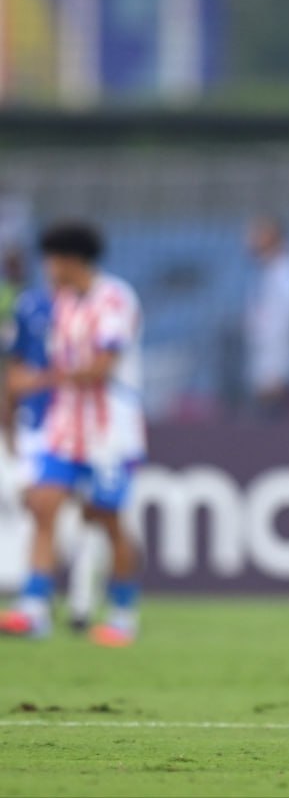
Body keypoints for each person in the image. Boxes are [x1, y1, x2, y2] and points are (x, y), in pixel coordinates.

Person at [0, 221, 146, 647]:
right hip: (65, 426)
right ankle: (34, 608)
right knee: (43, 503)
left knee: (105, 518)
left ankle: (122, 613)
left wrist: (39, 380)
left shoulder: (114, 298)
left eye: (51, 259)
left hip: (109, 431)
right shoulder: (61, 303)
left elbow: (103, 366)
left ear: (69, 260)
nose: (47, 268)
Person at [3, 276, 102, 632]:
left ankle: (80, 602)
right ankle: (37, 604)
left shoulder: (100, 306)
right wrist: (10, 423)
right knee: (42, 510)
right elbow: (13, 375)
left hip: (87, 429)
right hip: (39, 426)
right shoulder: (30, 307)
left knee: (89, 517)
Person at [243, 216, 289, 419]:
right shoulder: (267, 273)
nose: (250, 239)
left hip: (281, 374)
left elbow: (288, 326)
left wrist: (276, 372)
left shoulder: (288, 274)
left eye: (257, 233)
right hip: (267, 369)